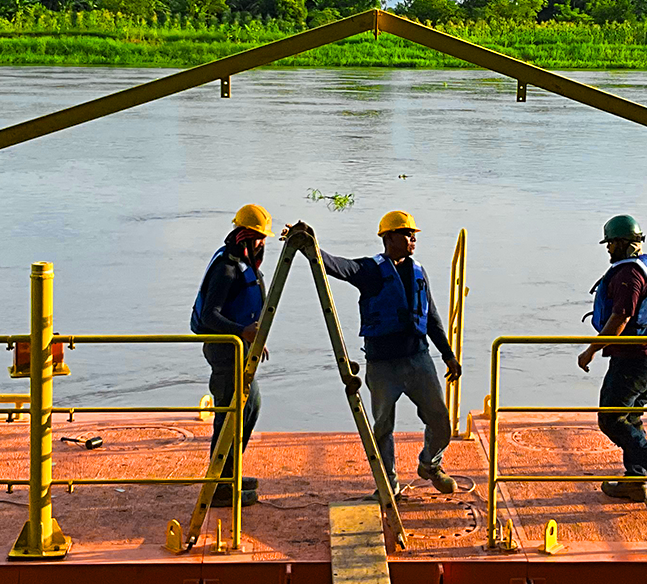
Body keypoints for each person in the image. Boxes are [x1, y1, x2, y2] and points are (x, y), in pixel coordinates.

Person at [290, 211, 460, 498]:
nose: (413, 239)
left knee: (440, 420)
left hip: (418, 360)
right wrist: (309, 247)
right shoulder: (370, 271)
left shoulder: (419, 271)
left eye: (414, 234)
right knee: (382, 426)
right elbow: (336, 266)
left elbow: (431, 317)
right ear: (388, 237)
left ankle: (430, 464)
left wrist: (448, 354)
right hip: (383, 366)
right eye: (407, 234)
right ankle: (388, 484)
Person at [577, 214, 647, 508]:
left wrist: (592, 349)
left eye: (610, 244)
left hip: (633, 358)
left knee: (610, 419)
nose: (608, 250)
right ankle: (635, 483)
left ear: (623, 243)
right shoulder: (644, 265)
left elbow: (621, 317)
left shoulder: (628, 276)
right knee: (632, 418)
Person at [190, 203, 274, 507]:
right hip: (225, 354)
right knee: (228, 418)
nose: (263, 243)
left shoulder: (243, 265)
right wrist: (243, 332)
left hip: (240, 351)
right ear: (245, 238)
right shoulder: (226, 269)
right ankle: (219, 487)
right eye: (259, 238)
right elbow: (211, 316)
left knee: (250, 408)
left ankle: (229, 474)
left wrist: (252, 338)